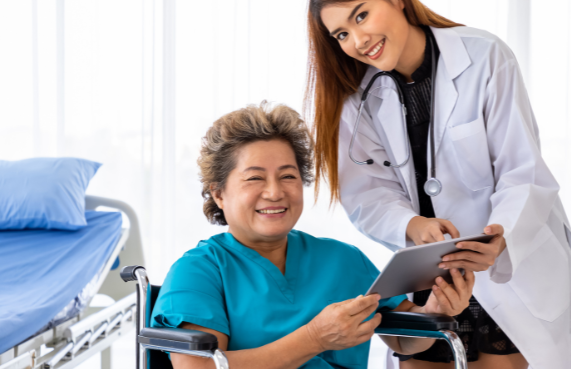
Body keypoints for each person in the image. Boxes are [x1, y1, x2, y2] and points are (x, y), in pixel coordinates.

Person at [305, 0, 571, 369]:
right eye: (342, 34)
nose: (358, 40)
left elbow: (522, 170)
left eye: (362, 15)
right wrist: (412, 224)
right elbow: (366, 193)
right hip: (433, 277)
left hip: (509, 268)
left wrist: (500, 237)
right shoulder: (359, 99)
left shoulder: (484, 57)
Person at [150, 102, 475, 369]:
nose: (275, 192)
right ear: (219, 194)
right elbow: (202, 368)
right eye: (255, 179)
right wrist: (314, 339)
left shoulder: (343, 260)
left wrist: (438, 308)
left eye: (288, 176)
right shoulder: (199, 270)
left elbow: (405, 340)